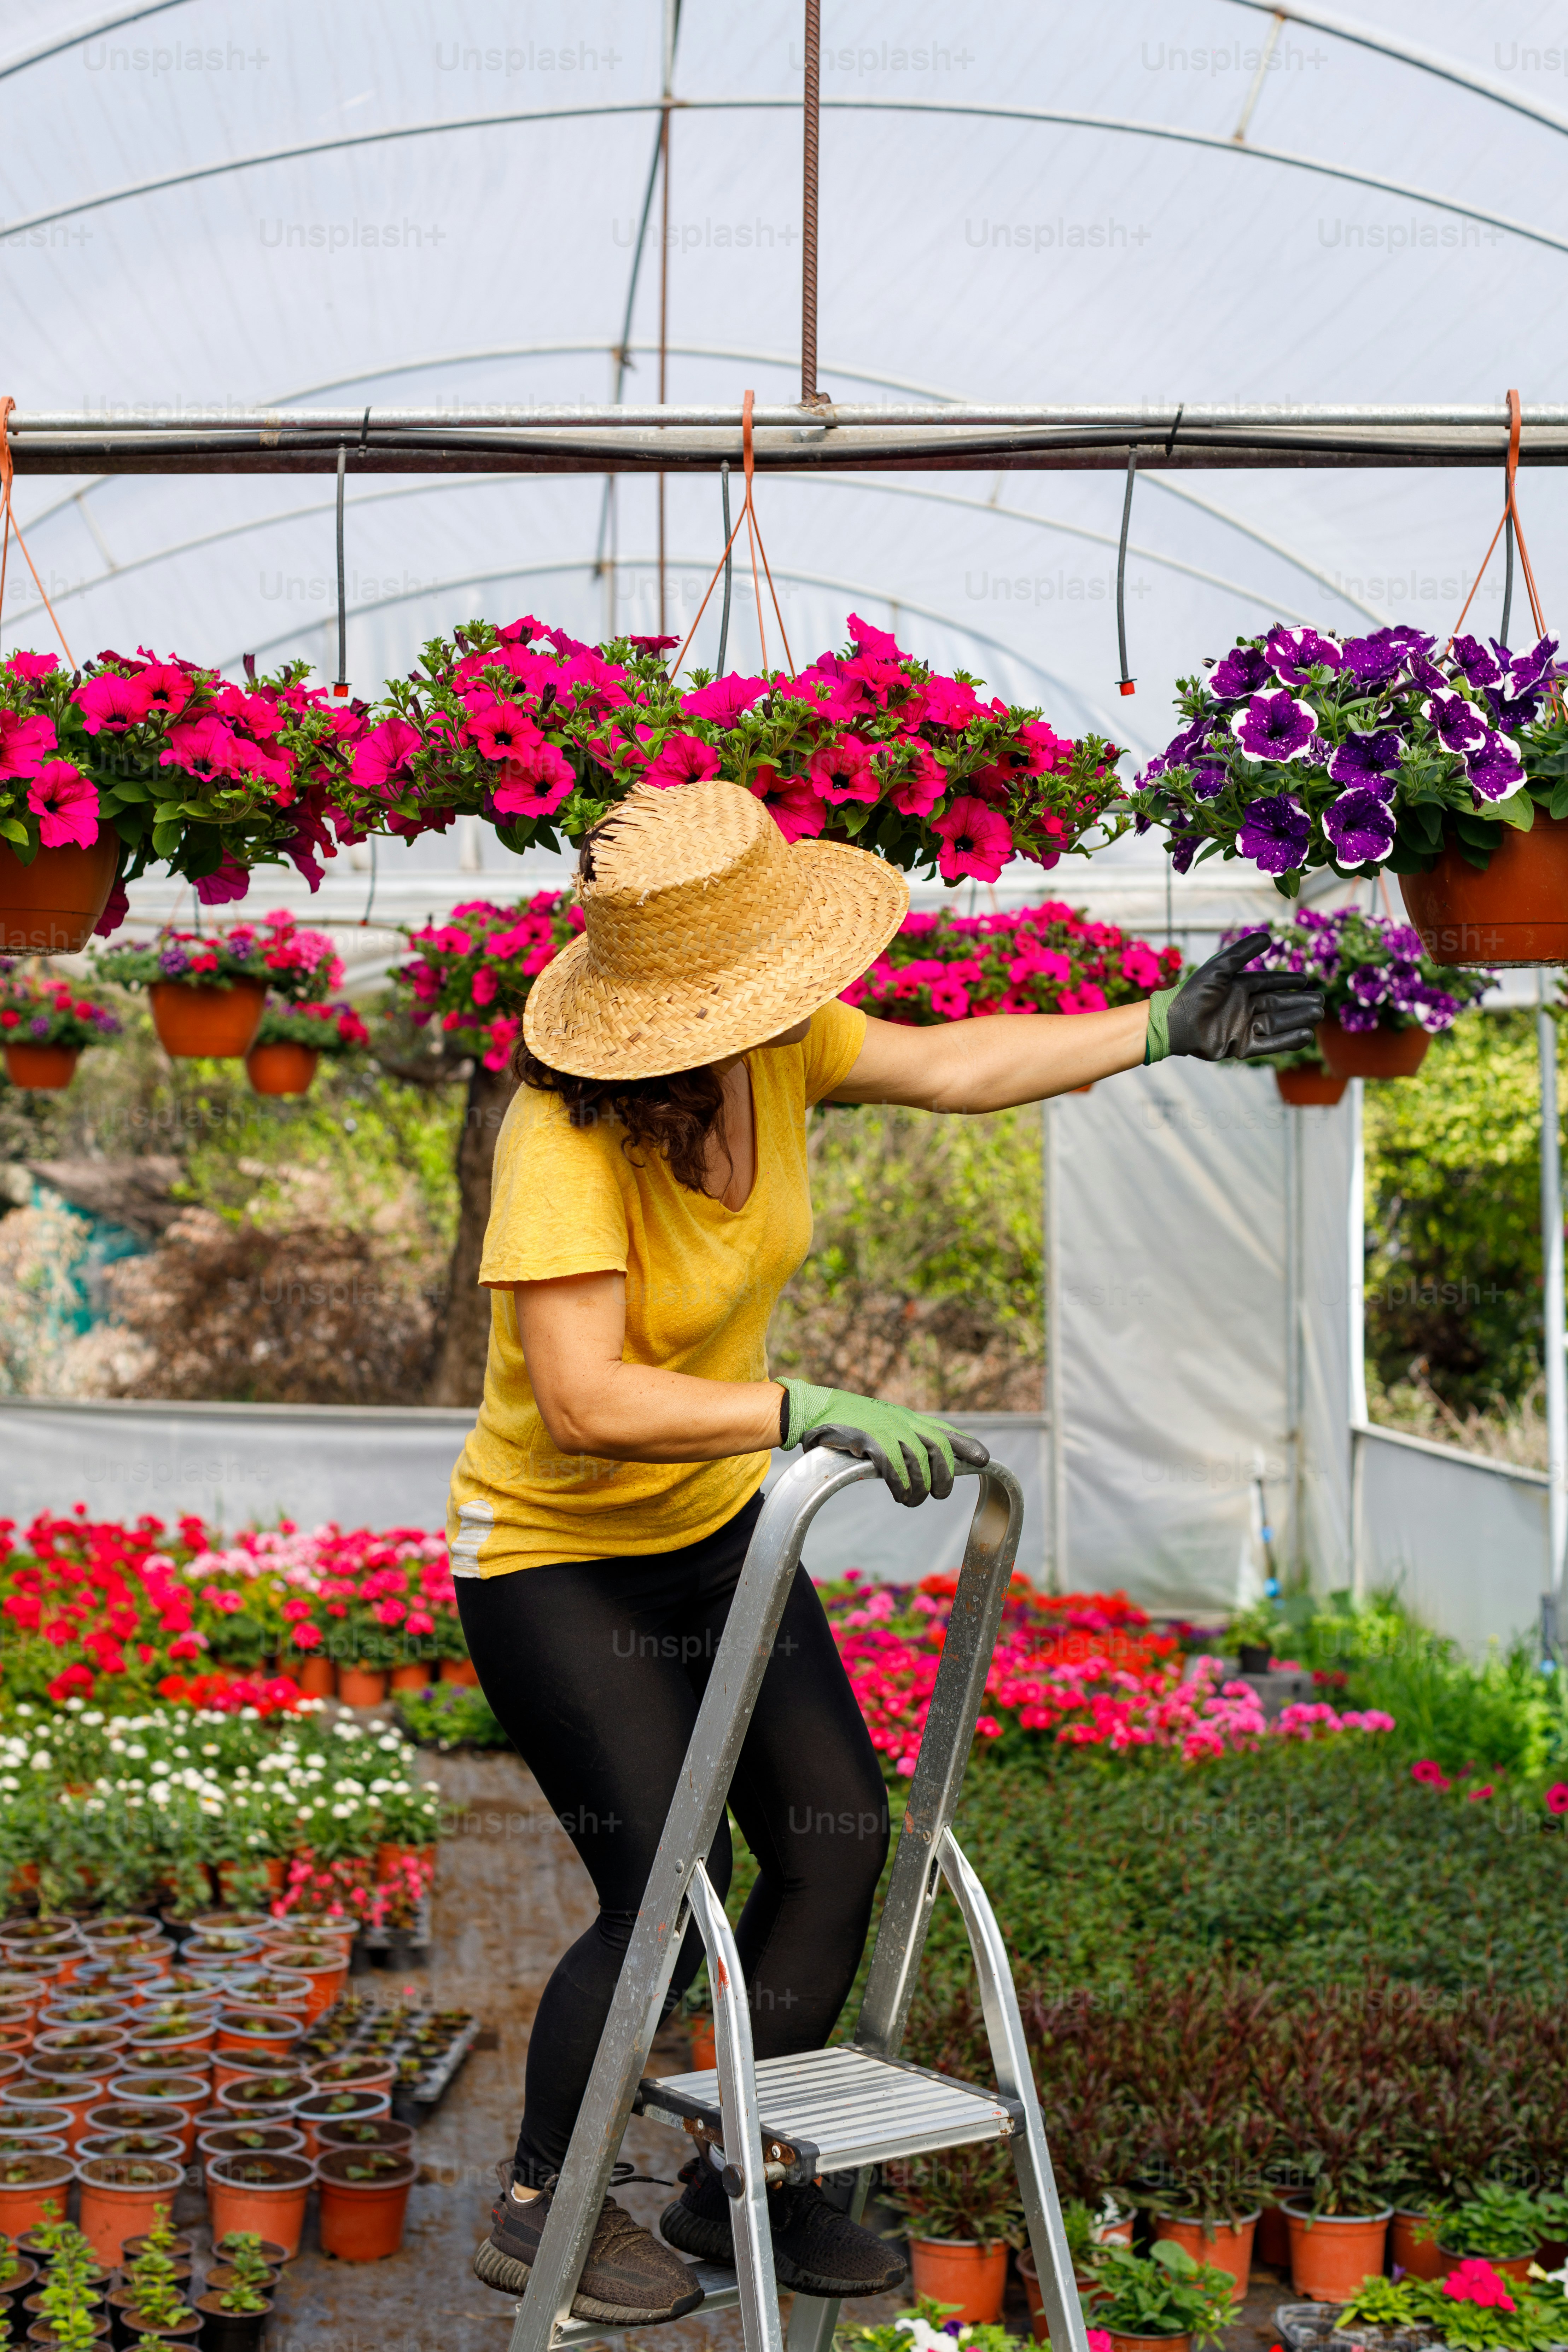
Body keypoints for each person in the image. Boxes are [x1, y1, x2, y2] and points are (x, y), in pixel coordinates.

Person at [452, 778, 1322, 2322]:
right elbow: (583, 1397)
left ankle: (743, 2194)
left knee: (836, 1839)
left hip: (714, 1531)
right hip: (554, 1555)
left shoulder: (775, 1049)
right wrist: (800, 1402)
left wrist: (1158, 1030)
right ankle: (544, 2203)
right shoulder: (561, 1135)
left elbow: (952, 1062)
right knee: (664, 1883)